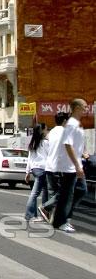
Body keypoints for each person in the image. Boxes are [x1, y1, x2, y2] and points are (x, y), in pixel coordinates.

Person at [49, 98, 88, 232]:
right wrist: (77, 165)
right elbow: (67, 144)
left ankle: (63, 218)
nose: (86, 109)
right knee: (68, 193)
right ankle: (61, 221)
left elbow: (76, 145)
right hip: (69, 166)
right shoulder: (71, 124)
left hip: (75, 164)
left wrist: (83, 154)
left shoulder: (76, 124)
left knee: (79, 191)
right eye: (84, 106)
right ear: (76, 107)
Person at [39, 111, 69, 223]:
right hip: (59, 167)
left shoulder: (51, 132)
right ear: (65, 121)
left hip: (49, 166)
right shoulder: (65, 132)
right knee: (64, 192)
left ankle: (52, 217)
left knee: (53, 193)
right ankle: (45, 207)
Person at [24, 123, 49, 221]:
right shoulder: (46, 143)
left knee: (45, 190)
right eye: (46, 129)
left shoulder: (33, 143)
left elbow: (29, 159)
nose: (47, 131)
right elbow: (50, 156)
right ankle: (30, 215)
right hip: (43, 169)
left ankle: (44, 213)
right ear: (42, 130)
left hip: (35, 169)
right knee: (36, 193)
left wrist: (28, 172)